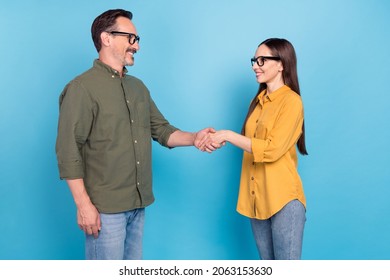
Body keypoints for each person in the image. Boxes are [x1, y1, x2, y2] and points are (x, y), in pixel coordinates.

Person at [55, 9, 218, 260]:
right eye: (131, 38)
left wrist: (194, 137)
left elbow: (161, 130)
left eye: (137, 40)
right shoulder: (81, 89)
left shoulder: (137, 87)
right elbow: (68, 150)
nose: (136, 46)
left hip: (137, 205)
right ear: (106, 38)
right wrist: (83, 205)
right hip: (104, 210)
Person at [206, 38, 308, 259]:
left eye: (262, 60)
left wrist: (229, 135)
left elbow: (272, 149)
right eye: (254, 60)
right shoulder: (258, 101)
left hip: (283, 200)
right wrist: (218, 139)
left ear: (281, 64)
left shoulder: (291, 102)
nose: (255, 65)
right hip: (257, 200)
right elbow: (251, 143)